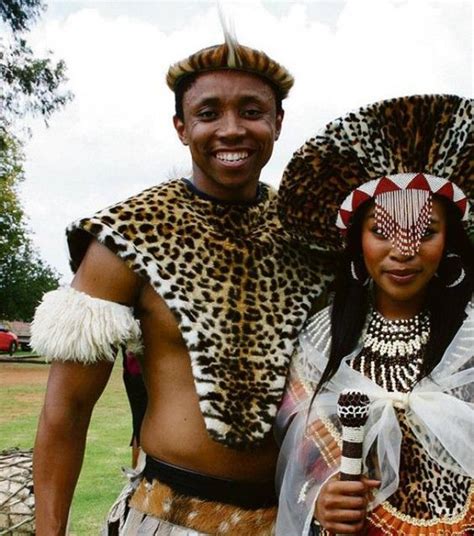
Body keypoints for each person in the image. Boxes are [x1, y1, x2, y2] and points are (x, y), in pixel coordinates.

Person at [30, 30, 334, 536]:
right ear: (181, 126)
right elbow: (66, 411)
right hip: (169, 519)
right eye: (209, 112)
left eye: (252, 111)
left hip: (296, 519)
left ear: (278, 122)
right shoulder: (127, 236)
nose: (231, 129)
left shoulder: (313, 238)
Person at [275, 94, 473, 535]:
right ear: (356, 242)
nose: (403, 251)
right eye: (381, 232)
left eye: (426, 232)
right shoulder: (322, 340)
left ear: (450, 242)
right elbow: (301, 463)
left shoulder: (471, 335)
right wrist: (321, 502)